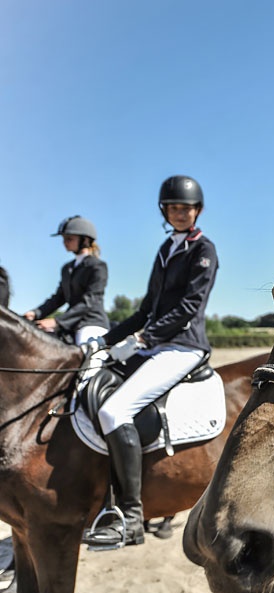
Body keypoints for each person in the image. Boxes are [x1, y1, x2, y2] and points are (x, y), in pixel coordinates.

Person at [83, 175, 218, 548]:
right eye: (173, 208)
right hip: (154, 345)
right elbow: (146, 308)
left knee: (114, 412)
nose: (179, 213)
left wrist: (142, 339)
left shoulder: (203, 249)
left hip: (183, 347)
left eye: (185, 208)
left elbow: (190, 307)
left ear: (196, 211)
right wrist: (104, 341)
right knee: (90, 390)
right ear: (165, 211)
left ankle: (129, 517)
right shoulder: (165, 249)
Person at [24, 216, 109, 344]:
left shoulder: (97, 266)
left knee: (89, 354)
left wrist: (57, 322)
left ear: (85, 240)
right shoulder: (67, 268)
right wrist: (35, 313)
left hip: (90, 323)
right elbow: (58, 298)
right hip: (69, 324)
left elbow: (90, 302)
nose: (65, 242)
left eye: (69, 239)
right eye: (64, 239)